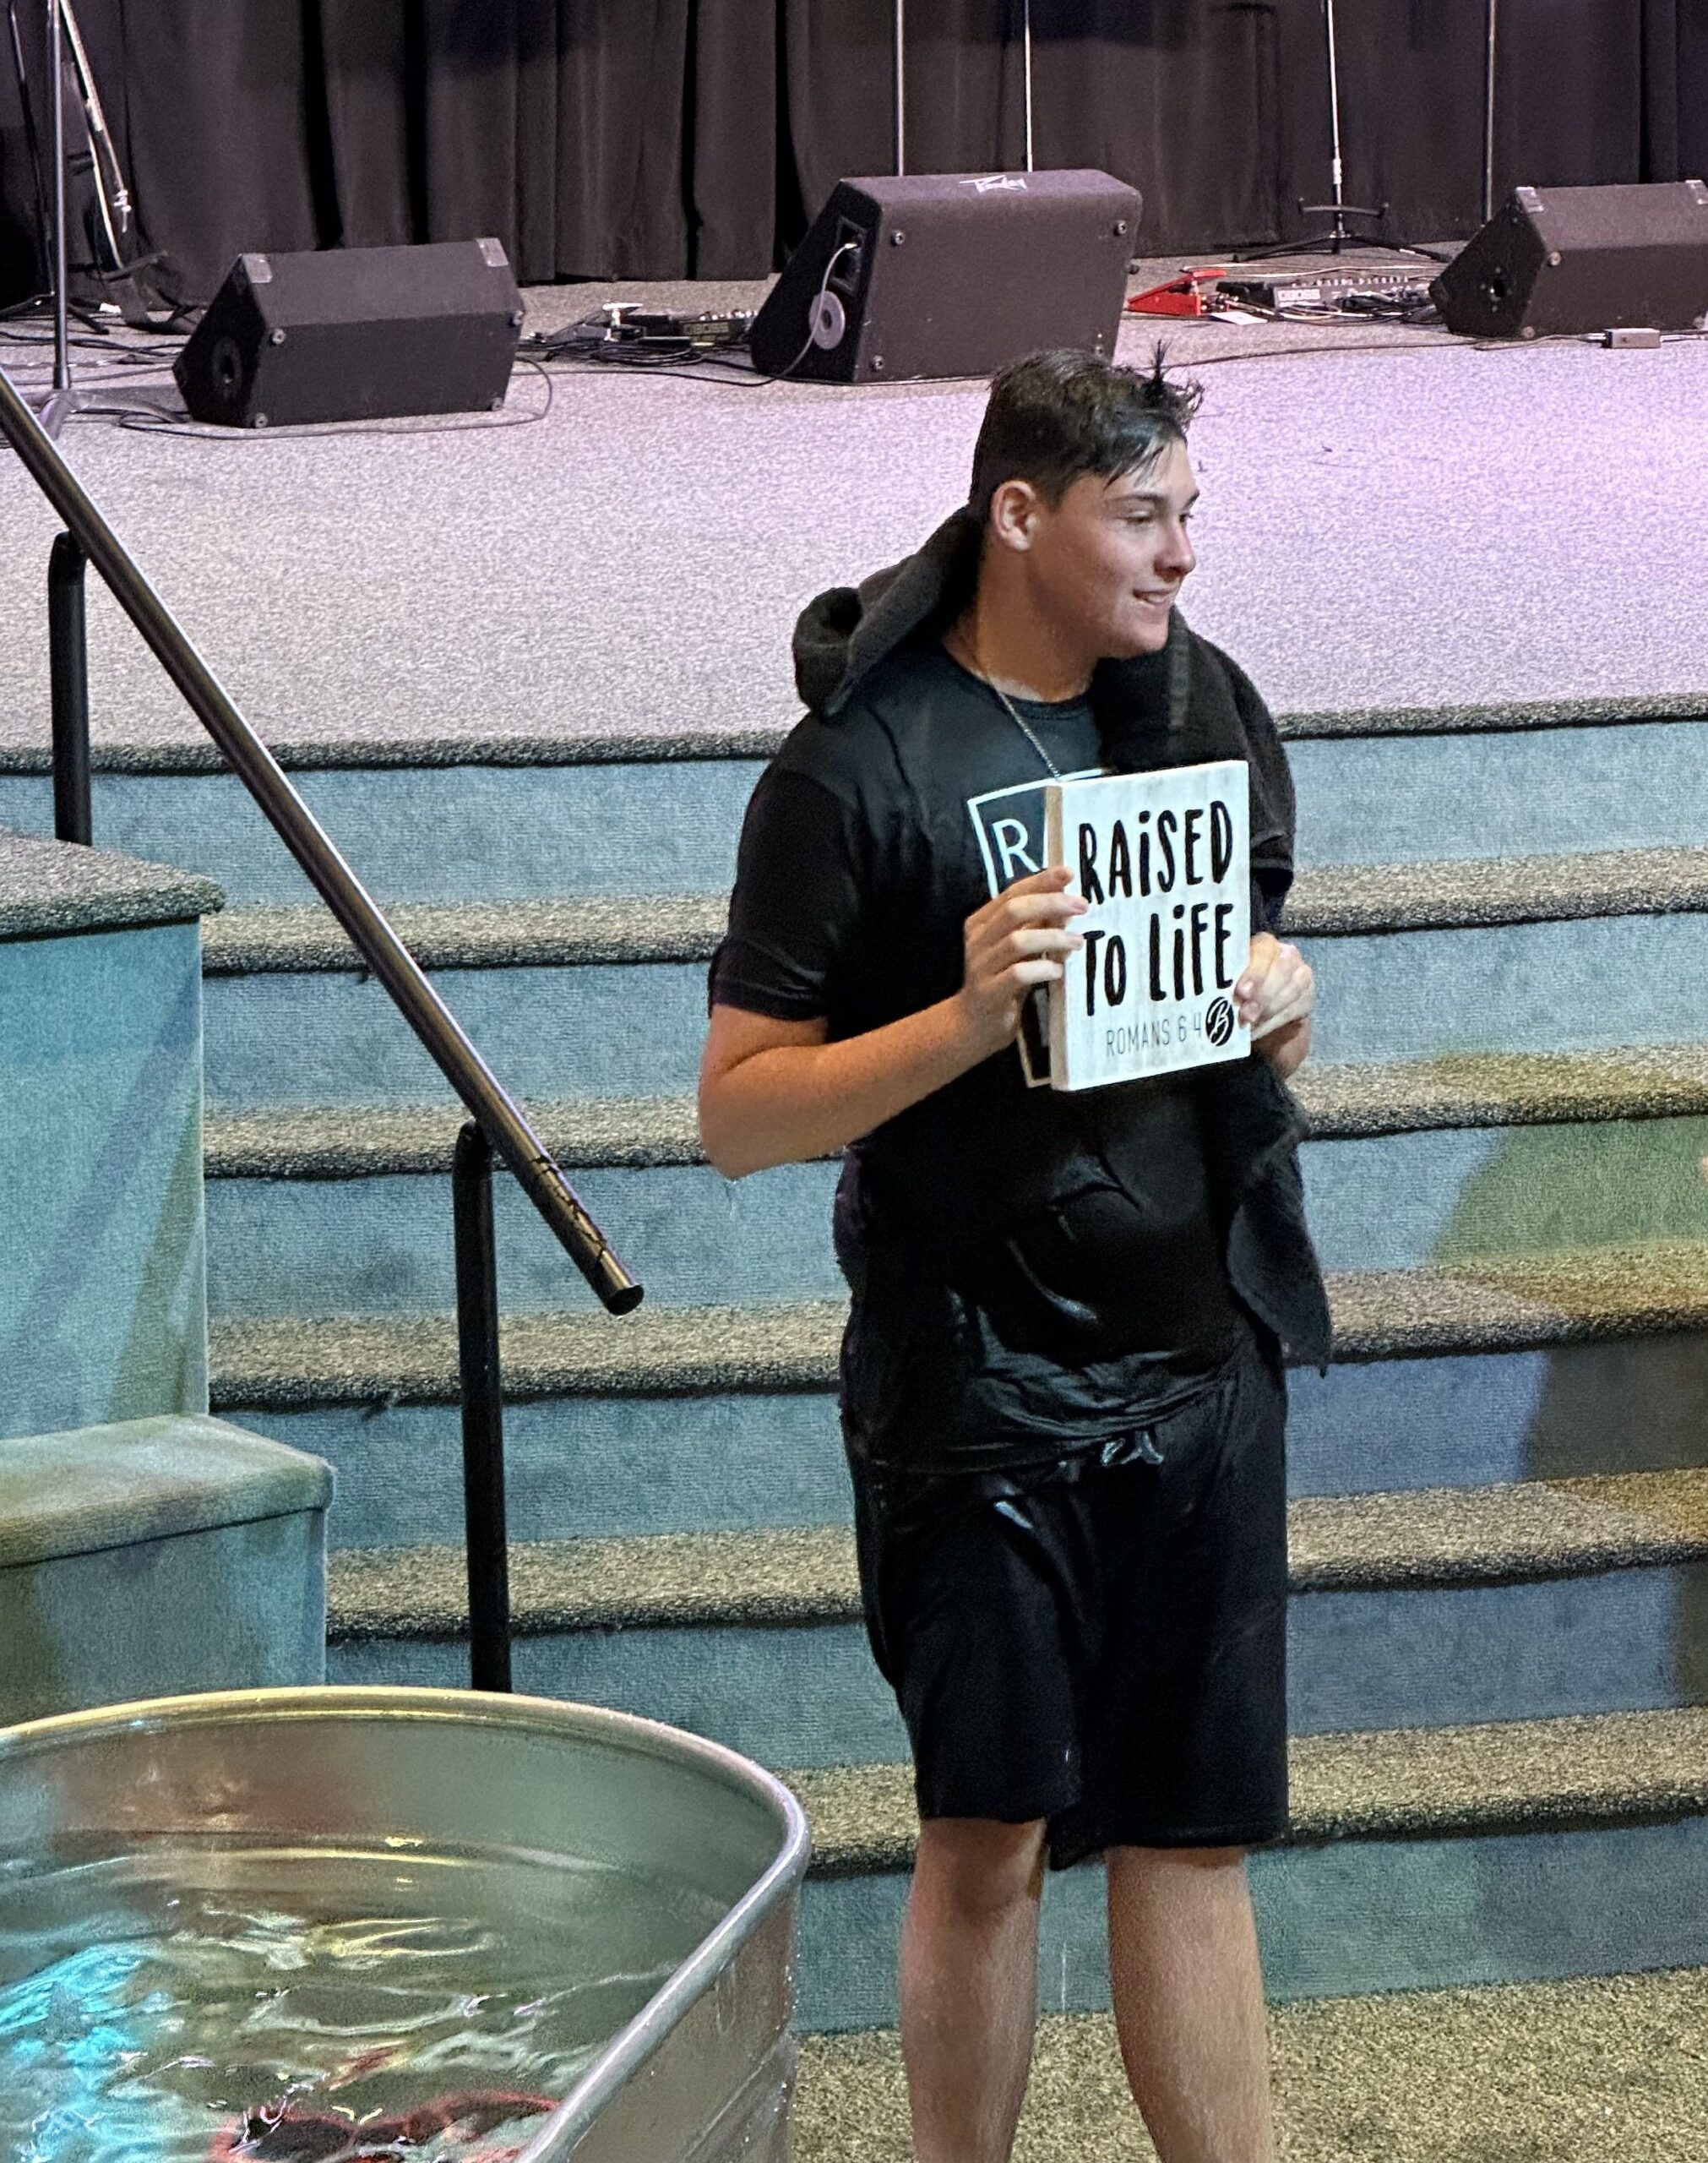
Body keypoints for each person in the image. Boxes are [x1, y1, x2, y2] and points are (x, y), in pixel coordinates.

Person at [699, 346, 1332, 2163]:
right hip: (976, 1390)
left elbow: (1236, 980)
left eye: (1189, 514)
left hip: (1202, 1356)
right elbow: (738, 1114)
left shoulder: (1201, 706)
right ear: (1020, 515)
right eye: (1142, 517)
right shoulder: (856, 769)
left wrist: (1281, 1001)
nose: (1181, 554)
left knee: (1192, 1837)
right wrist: (965, 1018)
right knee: (986, 1840)